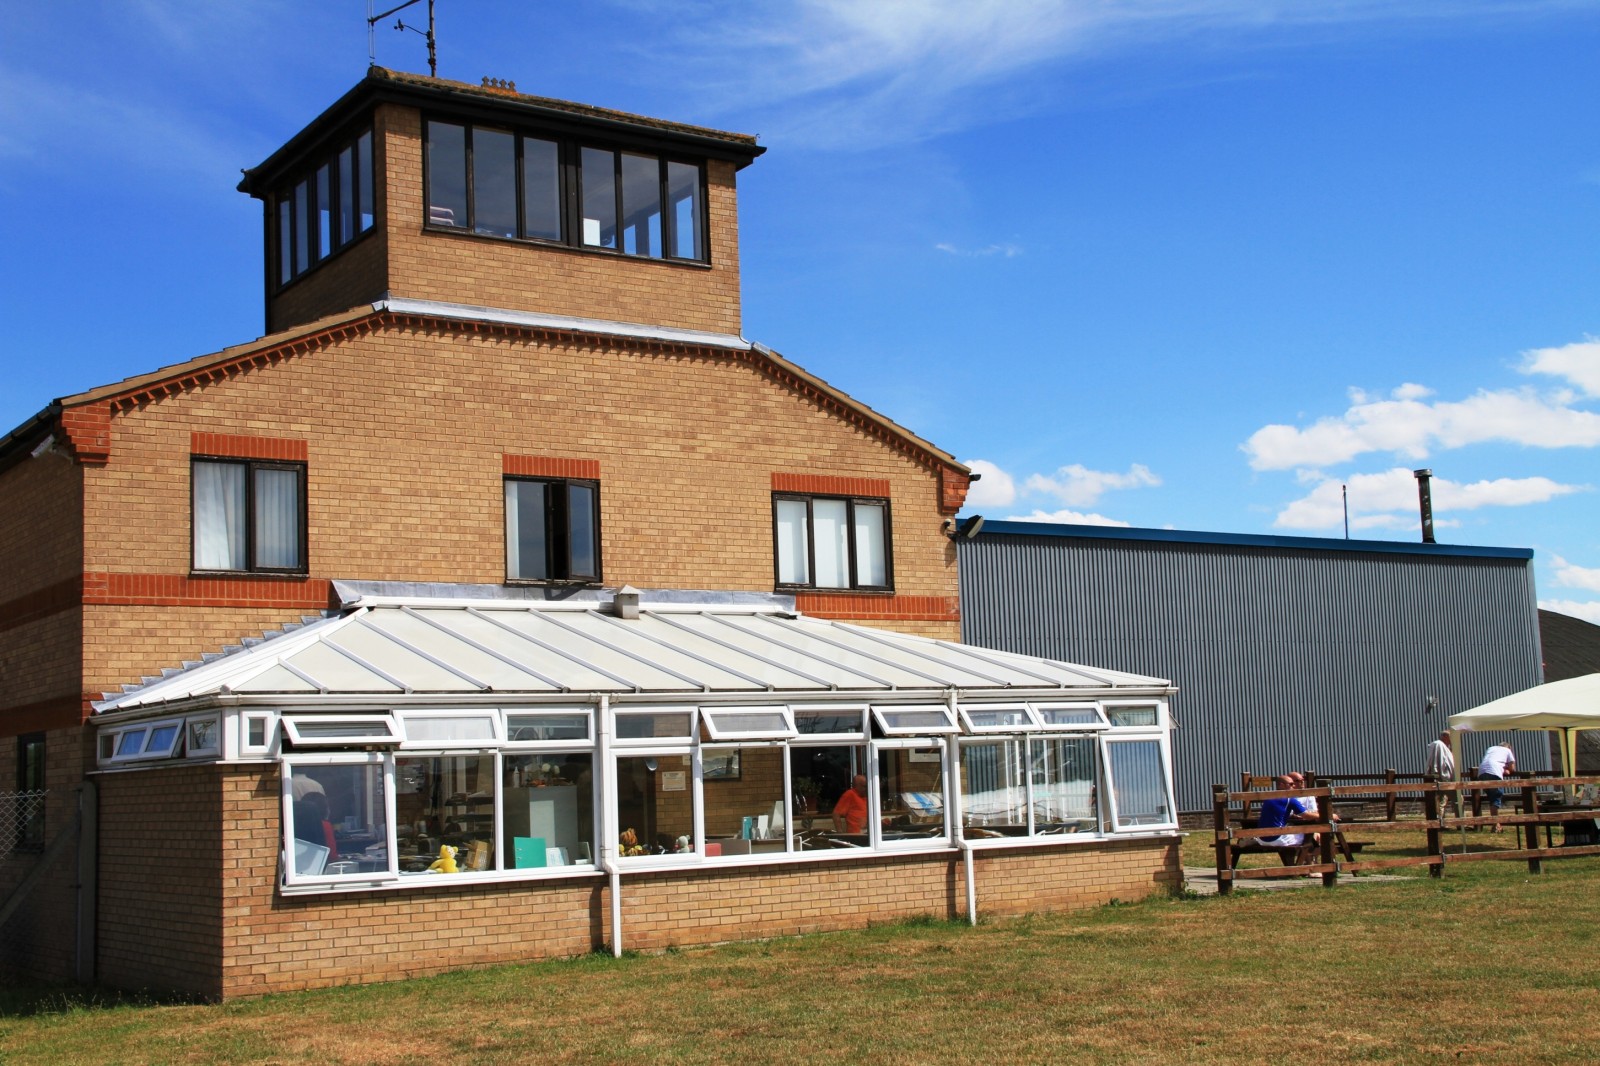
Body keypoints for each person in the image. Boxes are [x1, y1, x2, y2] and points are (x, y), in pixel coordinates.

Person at [1254, 775, 1314, 865]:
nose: (1294, 786)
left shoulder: (1268, 797)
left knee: (1298, 836)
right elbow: (1307, 816)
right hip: (1277, 839)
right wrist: (1327, 815)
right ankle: (1305, 865)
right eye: (1291, 784)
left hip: (1262, 839)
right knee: (1308, 838)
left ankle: (1302, 864)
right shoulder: (1289, 799)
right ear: (1281, 785)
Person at [1478, 743, 1516, 830]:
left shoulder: (1491, 748)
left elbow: (1492, 760)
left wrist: (1502, 768)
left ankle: (1496, 824)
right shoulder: (1507, 750)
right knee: (1496, 797)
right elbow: (1512, 768)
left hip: (1482, 772)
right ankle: (1495, 825)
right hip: (1494, 771)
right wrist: (1506, 769)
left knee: (1492, 797)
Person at [1424, 731, 1461, 817]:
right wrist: (1438, 773)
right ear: (1444, 737)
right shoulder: (1439, 744)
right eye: (1450, 737)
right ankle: (1459, 819)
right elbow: (1438, 761)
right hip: (1443, 777)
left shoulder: (1445, 747)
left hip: (1444, 777)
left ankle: (1441, 820)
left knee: (1442, 800)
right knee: (1457, 798)